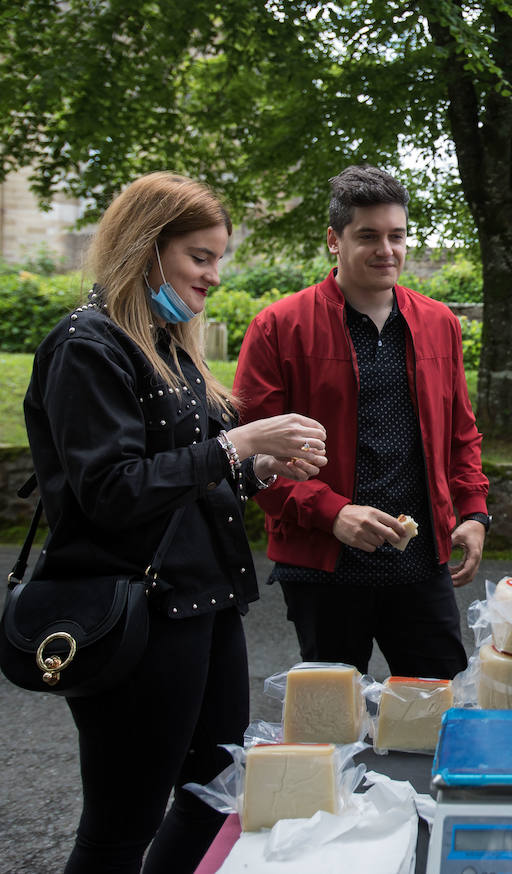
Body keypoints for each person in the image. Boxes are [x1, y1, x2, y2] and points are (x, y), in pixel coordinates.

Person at [22, 172, 328, 873]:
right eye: (200, 256)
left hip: (203, 606)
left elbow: (186, 476)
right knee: (121, 824)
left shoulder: (167, 345)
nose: (215, 275)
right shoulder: (86, 345)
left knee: (216, 792)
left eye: (219, 258)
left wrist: (259, 469)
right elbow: (110, 491)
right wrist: (237, 445)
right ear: (145, 248)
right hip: (136, 615)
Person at [235, 165, 489, 679]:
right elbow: (254, 459)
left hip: (420, 556)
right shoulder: (278, 328)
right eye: (368, 236)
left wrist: (474, 512)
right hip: (323, 559)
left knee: (438, 705)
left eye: (396, 236)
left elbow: (461, 435)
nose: (386, 250)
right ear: (334, 239)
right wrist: (333, 513)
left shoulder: (439, 323)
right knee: (332, 721)